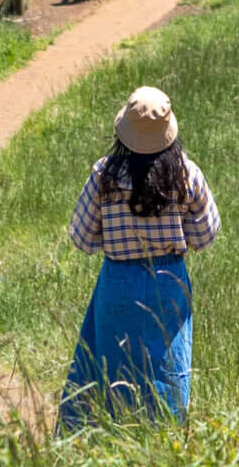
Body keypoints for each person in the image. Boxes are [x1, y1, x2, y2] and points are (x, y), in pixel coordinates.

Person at [59, 86, 219, 431]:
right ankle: (166, 439)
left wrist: (115, 234)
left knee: (111, 366)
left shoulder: (104, 175)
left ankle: (109, 439)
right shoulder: (185, 173)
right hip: (169, 282)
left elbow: (82, 237)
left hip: (117, 282)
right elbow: (205, 233)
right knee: (167, 366)